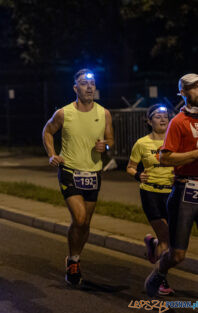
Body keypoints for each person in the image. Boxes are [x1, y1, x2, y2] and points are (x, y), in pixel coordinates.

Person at [42, 69, 114, 286]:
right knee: (80, 218)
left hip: (94, 173)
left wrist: (107, 145)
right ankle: (73, 261)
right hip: (70, 171)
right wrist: (52, 155)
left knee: (85, 223)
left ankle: (74, 258)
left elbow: (111, 139)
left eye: (92, 83)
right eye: (84, 83)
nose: (89, 87)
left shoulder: (104, 113)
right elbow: (47, 131)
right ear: (76, 88)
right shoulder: (64, 113)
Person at [145, 73, 198, 297]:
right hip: (185, 191)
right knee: (177, 255)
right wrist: (196, 154)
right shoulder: (178, 122)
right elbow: (165, 158)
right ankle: (157, 275)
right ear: (183, 93)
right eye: (194, 88)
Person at [127, 104, 174, 295]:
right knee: (167, 237)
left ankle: (154, 245)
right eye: (157, 116)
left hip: (173, 193)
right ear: (149, 121)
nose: (163, 119)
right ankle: (161, 281)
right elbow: (130, 167)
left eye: (166, 116)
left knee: (169, 239)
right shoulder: (141, 143)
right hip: (150, 192)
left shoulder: (176, 141)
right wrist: (138, 175)